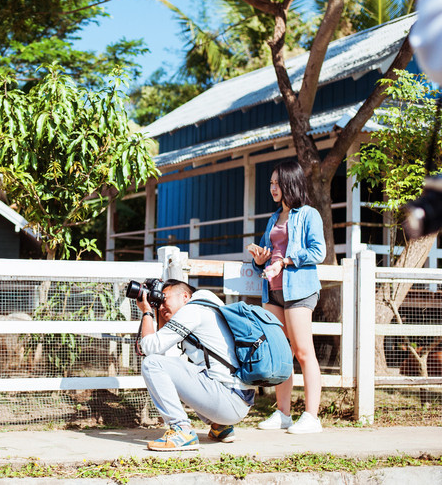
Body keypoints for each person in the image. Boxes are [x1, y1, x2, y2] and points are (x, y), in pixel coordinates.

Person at [248, 159, 325, 435]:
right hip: (273, 291)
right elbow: (268, 257)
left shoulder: (309, 215)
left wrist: (288, 260)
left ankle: (312, 417)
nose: (272, 188)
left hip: (299, 290)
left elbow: (319, 252)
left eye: (277, 183)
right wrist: (260, 260)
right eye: (270, 183)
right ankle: (283, 414)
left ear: (290, 183)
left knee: (304, 352)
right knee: (282, 355)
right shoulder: (272, 219)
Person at [138, 280, 255, 451]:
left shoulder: (192, 311)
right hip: (237, 401)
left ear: (185, 296)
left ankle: (181, 430)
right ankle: (220, 426)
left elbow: (150, 348)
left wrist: (147, 311)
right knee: (172, 367)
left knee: (151, 364)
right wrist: (159, 311)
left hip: (228, 401)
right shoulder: (209, 306)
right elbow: (162, 349)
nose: (161, 305)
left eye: (165, 299)